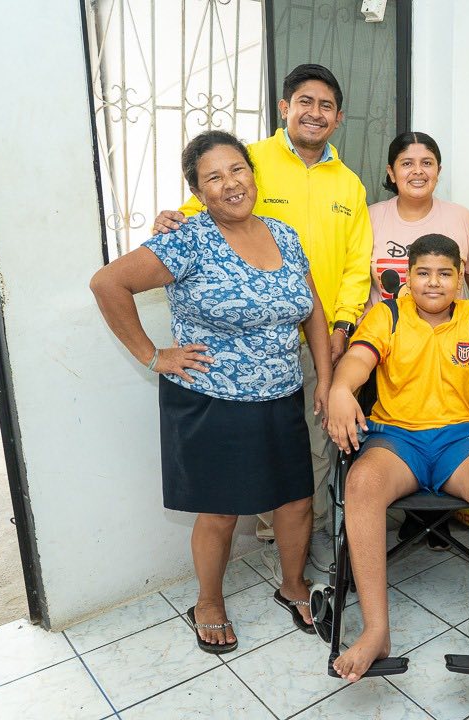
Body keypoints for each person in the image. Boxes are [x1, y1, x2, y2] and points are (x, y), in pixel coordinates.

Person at [90, 130, 334, 652]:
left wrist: (326, 378)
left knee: (296, 501)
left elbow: (313, 310)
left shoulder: (284, 234)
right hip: (213, 400)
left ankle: (292, 586)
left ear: (253, 174)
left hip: (282, 394)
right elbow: (107, 283)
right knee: (222, 510)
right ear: (199, 193)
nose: (230, 184)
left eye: (237, 169)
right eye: (214, 177)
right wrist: (153, 355)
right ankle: (208, 603)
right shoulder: (188, 239)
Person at [151, 64, 373, 575]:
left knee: (314, 449)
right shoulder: (248, 163)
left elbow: (356, 264)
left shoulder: (350, 185)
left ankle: (310, 534)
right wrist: (166, 220)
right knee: (244, 465)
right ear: (284, 108)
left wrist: (341, 327)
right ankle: (275, 537)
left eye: (325, 105)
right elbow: (198, 214)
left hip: (318, 340)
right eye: (305, 102)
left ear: (338, 117)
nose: (314, 113)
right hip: (245, 347)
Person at [327, 234, 469, 690]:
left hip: (463, 439)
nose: (434, 282)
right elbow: (357, 361)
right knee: (360, 483)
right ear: (408, 278)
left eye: (445, 273)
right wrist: (341, 389)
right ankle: (375, 631)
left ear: (459, 279)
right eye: (423, 273)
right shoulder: (387, 314)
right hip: (397, 439)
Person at [368, 130, 469, 550]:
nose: (417, 171)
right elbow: (354, 277)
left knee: (447, 414)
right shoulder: (371, 217)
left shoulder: (459, 217)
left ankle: (437, 516)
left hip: (449, 343)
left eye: (426, 162)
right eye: (407, 163)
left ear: (439, 170)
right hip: (390, 350)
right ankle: (415, 515)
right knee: (402, 424)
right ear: (391, 171)